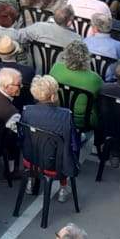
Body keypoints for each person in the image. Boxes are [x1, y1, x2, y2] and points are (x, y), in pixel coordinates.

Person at [21, 74, 79, 202]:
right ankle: (63, 188)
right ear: (53, 96)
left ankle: (30, 181)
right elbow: (73, 143)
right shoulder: (65, 115)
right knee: (66, 150)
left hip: (30, 159)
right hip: (55, 166)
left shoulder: (26, 110)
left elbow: (23, 135)